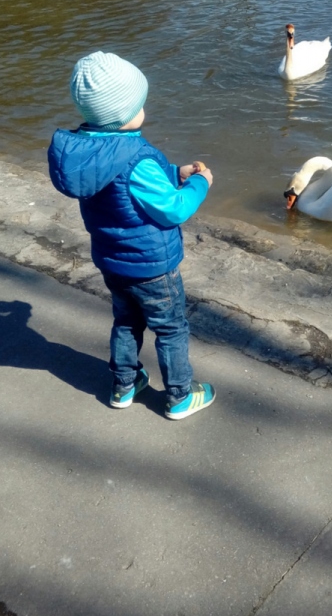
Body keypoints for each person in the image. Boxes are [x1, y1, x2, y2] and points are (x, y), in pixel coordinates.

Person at [48, 51, 215, 420]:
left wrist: (174, 171)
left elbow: (123, 189)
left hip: (113, 262)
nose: (144, 109)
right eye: (140, 104)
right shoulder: (135, 157)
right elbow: (174, 208)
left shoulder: (89, 154)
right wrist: (200, 183)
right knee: (171, 328)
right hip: (153, 267)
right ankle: (179, 396)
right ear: (123, 114)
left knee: (126, 321)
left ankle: (124, 385)